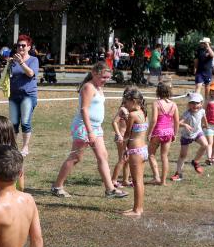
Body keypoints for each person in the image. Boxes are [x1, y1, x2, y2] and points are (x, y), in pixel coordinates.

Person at [51, 62, 127, 198]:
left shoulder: (98, 87)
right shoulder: (88, 87)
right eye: (103, 77)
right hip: (84, 127)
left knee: (103, 156)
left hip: (96, 128)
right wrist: (89, 131)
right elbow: (84, 109)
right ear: (94, 73)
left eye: (108, 77)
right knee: (75, 158)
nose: (106, 80)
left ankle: (110, 189)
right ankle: (57, 186)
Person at [9, 35, 41, 157]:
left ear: (29, 47)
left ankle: (25, 147)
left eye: (23, 45)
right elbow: (10, 76)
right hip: (14, 95)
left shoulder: (33, 60)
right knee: (13, 123)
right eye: (19, 45)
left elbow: (30, 73)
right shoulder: (13, 61)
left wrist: (21, 62)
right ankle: (13, 147)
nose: (21, 47)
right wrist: (8, 66)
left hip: (28, 95)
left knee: (25, 122)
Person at [120, 88, 148, 218]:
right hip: (143, 149)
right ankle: (138, 208)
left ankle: (136, 210)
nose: (125, 105)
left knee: (136, 181)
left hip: (135, 150)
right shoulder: (143, 112)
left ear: (133, 101)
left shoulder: (132, 115)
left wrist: (124, 149)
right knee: (139, 181)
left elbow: (127, 133)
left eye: (126, 102)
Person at [171, 93, 211, 181]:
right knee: (183, 155)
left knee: (205, 145)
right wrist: (185, 125)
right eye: (192, 103)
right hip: (186, 136)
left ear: (201, 103)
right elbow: (177, 122)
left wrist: (206, 125)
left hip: (197, 133)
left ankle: (195, 161)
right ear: (189, 104)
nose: (195, 105)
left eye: (197, 103)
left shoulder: (202, 111)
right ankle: (178, 174)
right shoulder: (187, 113)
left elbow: (204, 118)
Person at [148, 82, 180, 185]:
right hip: (169, 132)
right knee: (164, 156)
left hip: (158, 131)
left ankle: (156, 177)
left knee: (151, 154)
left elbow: (154, 120)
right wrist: (175, 134)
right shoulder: (173, 105)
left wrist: (149, 133)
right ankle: (163, 181)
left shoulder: (156, 103)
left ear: (158, 92)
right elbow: (176, 121)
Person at [110, 96, 131, 189]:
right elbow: (114, 122)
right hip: (121, 137)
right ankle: (113, 180)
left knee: (128, 159)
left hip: (128, 138)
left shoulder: (131, 109)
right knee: (123, 159)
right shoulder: (122, 109)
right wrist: (118, 135)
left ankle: (125, 180)